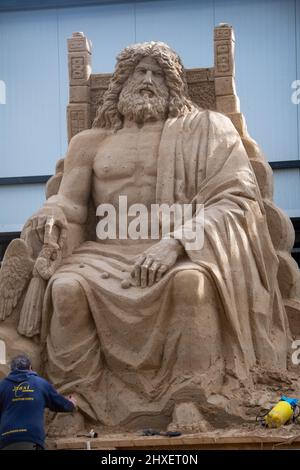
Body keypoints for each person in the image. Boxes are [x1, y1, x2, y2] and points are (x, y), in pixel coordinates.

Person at [7, 41, 289, 431]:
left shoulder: (207, 129)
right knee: (67, 287)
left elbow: (237, 198)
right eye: (138, 72)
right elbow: (71, 203)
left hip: (182, 250)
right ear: (119, 84)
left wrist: (176, 243)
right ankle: (77, 400)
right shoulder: (89, 143)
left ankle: (189, 399)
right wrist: (51, 212)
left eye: (158, 73)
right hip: (104, 253)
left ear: (174, 85)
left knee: (191, 283)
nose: (147, 80)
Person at [0, 355, 76, 450]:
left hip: (7, 439)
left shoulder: (2, 386)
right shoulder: (40, 383)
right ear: (30, 368)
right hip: (32, 438)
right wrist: (71, 404)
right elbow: (60, 403)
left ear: (11, 370)